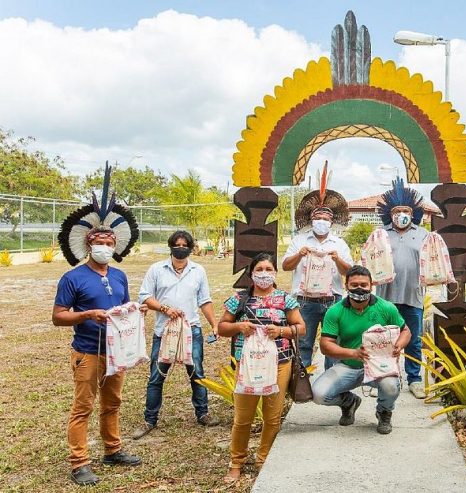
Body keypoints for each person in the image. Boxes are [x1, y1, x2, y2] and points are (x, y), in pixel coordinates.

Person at [52, 164, 143, 486]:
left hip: (116, 351)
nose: (105, 246)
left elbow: (124, 306)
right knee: (83, 406)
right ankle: (79, 462)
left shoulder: (118, 275)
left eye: (110, 241)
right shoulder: (72, 277)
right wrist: (87, 316)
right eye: (99, 241)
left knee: (113, 403)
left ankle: (113, 449)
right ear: (89, 244)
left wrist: (134, 312)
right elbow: (58, 316)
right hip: (88, 351)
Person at [218, 253, 306, 481]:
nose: (264, 274)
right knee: (243, 417)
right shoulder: (239, 299)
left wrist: (282, 331)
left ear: (275, 273)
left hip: (279, 364)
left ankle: (263, 459)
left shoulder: (285, 299)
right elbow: (222, 327)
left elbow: (301, 328)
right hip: (248, 366)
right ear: (251, 273)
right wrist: (238, 326)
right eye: (260, 269)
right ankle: (236, 462)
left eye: (269, 269)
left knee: (272, 416)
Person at [132, 230, 220, 440]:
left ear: (190, 248)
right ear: (170, 246)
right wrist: (164, 309)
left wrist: (214, 324)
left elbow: (204, 300)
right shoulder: (157, 269)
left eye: (184, 245)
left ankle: (203, 413)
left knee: (196, 373)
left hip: (192, 330)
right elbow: (145, 296)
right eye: (177, 244)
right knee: (156, 375)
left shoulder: (198, 271)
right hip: (164, 331)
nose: (180, 248)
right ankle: (149, 419)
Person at [312, 265, 411, 434]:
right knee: (318, 394)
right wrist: (353, 353)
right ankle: (348, 402)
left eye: (364, 285)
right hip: (349, 366)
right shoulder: (335, 311)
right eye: (354, 284)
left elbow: (406, 331)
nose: (359, 288)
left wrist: (399, 345)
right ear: (346, 286)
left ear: (371, 285)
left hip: (380, 367)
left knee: (391, 387)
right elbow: (325, 345)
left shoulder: (386, 308)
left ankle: (384, 411)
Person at [282, 162, 352, 369]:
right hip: (305, 301)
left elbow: (349, 272)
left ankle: (332, 380)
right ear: (311, 220)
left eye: (325, 218)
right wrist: (299, 255)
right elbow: (286, 266)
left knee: (332, 343)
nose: (321, 221)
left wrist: (338, 259)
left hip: (333, 300)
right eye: (317, 218)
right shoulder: (299, 241)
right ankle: (303, 382)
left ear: (332, 222)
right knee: (303, 342)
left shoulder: (339, 244)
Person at [373, 177, 428, 399]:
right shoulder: (381, 234)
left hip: (413, 295)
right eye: (397, 211)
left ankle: (414, 379)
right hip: (385, 297)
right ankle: (386, 377)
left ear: (413, 212)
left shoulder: (423, 235)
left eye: (406, 210)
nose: (401, 214)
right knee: (385, 339)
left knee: (414, 339)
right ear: (390, 214)